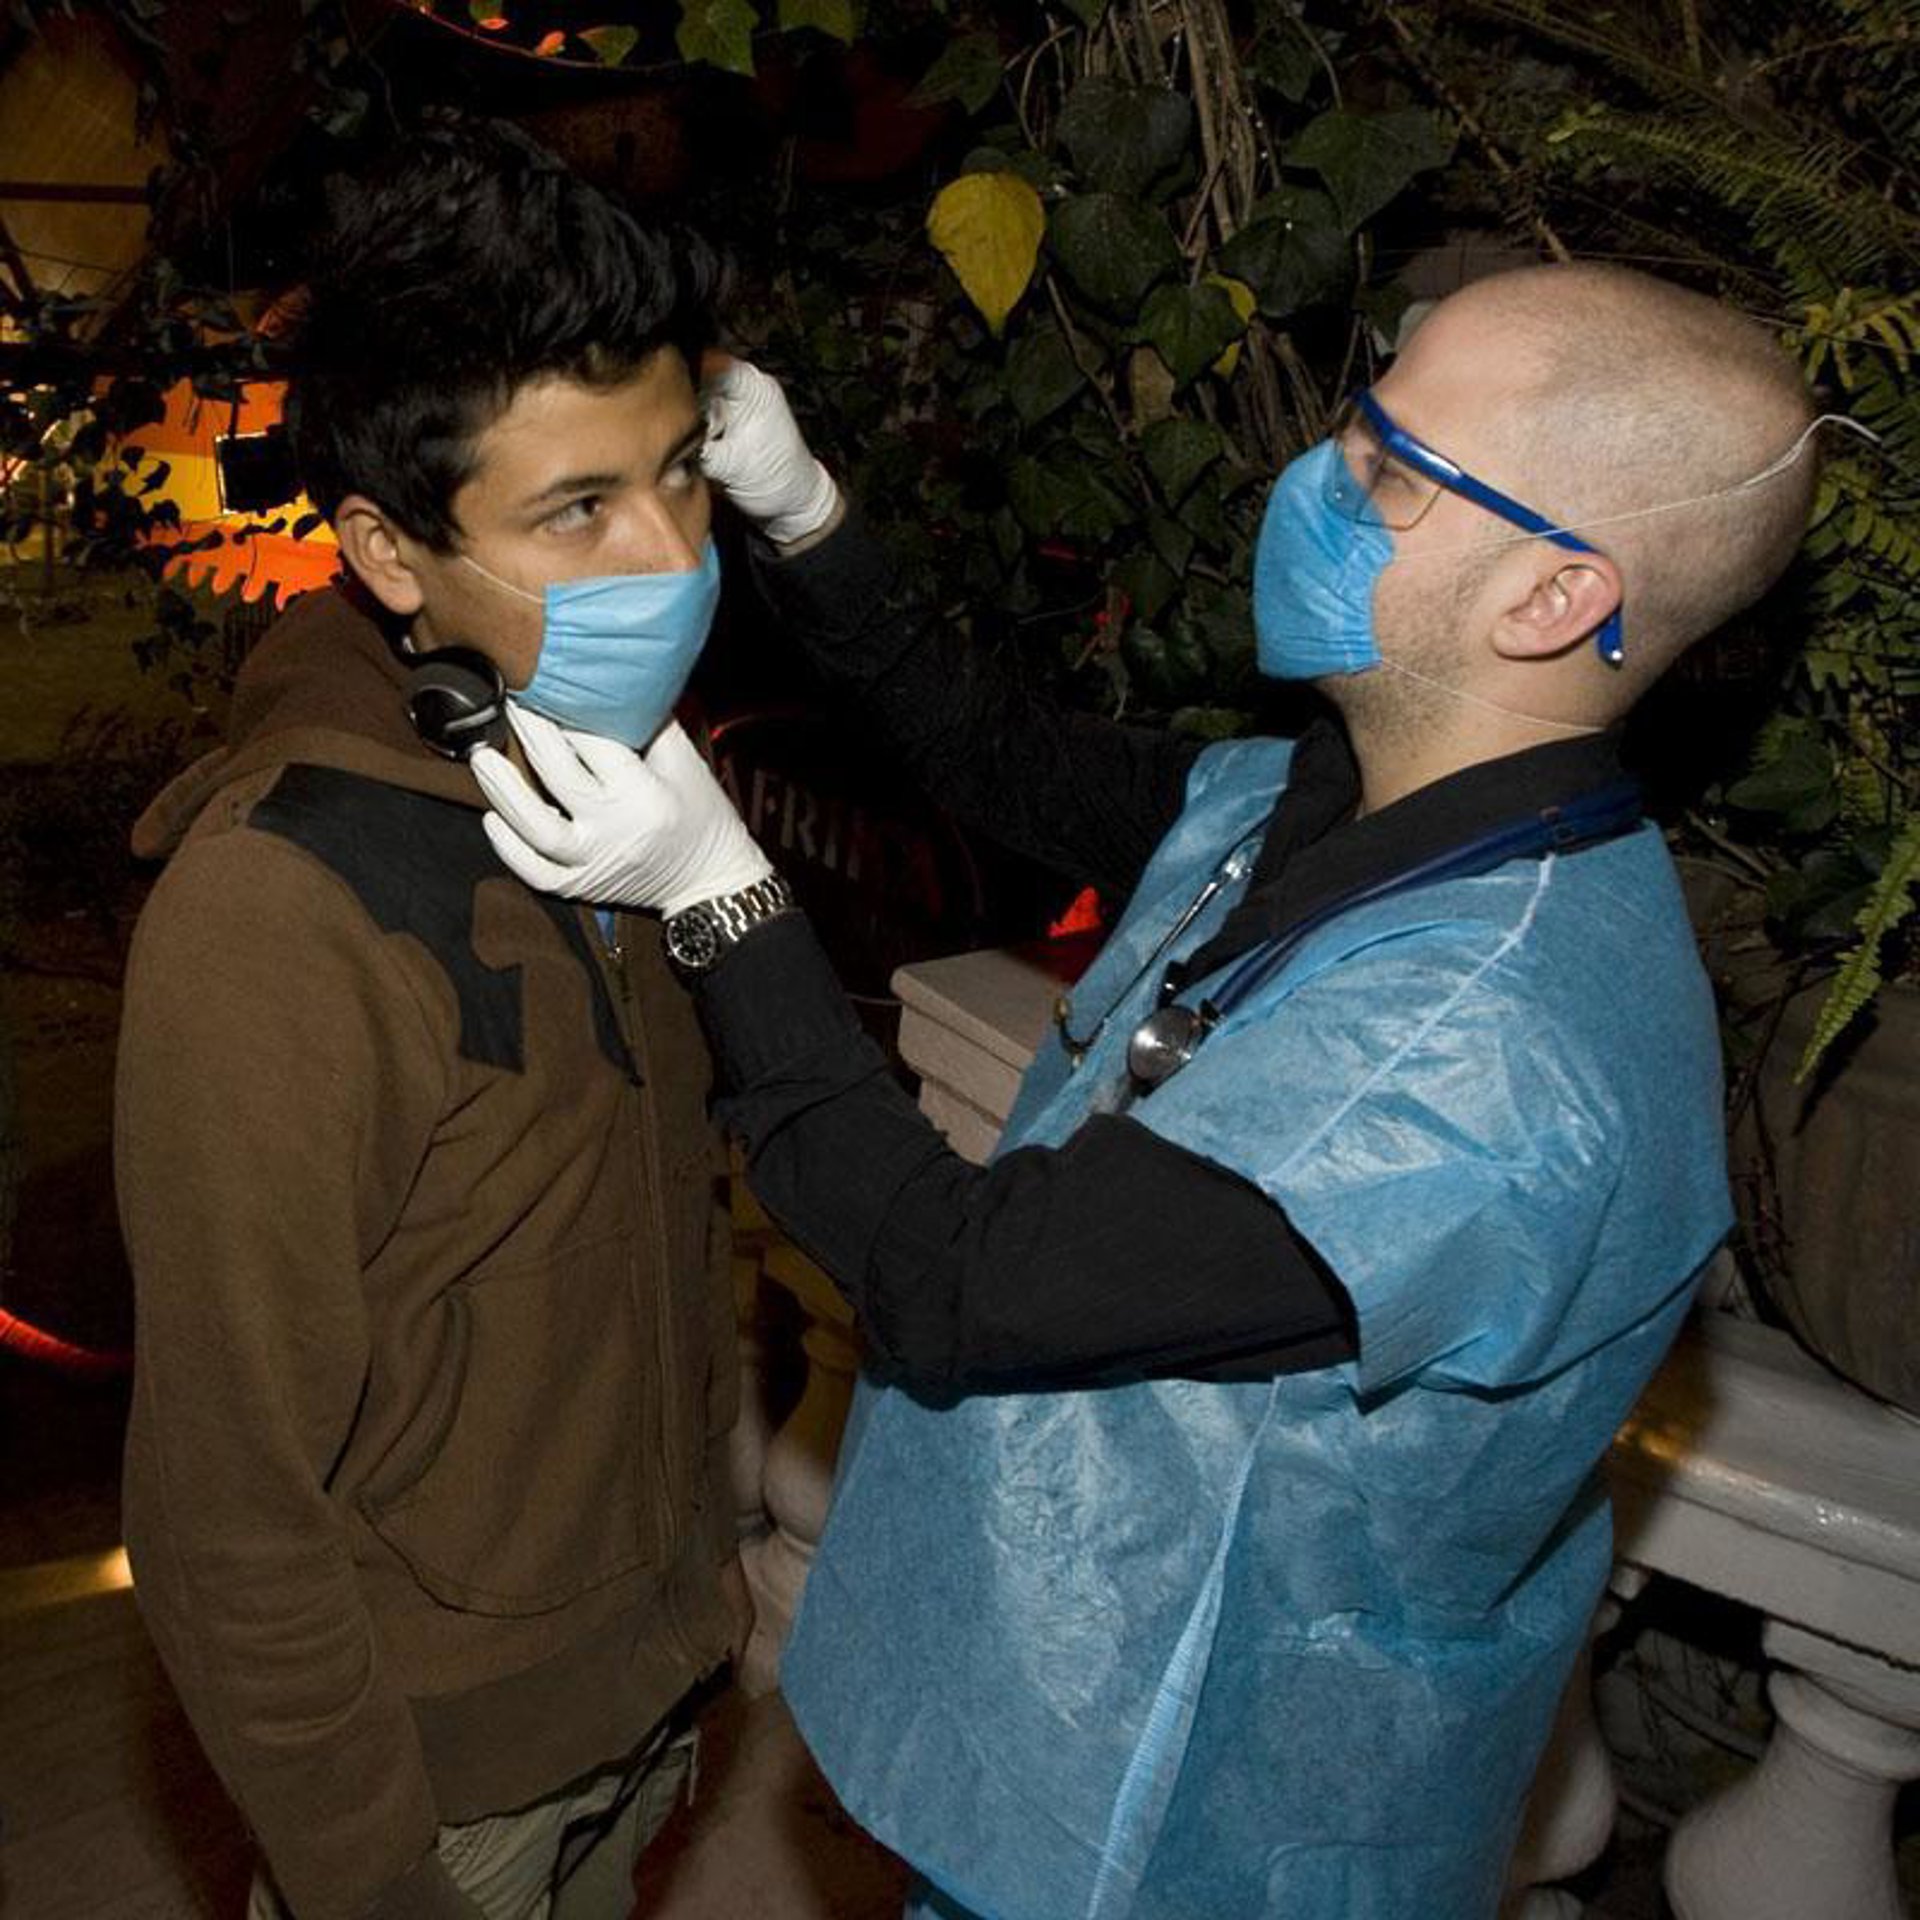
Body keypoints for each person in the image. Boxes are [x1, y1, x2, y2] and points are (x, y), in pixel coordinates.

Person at [475, 264, 1831, 1917]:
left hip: (1202, 1831)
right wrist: (811, 518)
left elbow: (955, 1281)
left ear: (1553, 597)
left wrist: (717, 898)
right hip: (1066, 1732)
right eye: (1357, 411)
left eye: (1389, 467)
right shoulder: (1348, 800)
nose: (1315, 475)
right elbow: (1008, 759)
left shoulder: (1482, 1063)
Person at [114, 117, 753, 1920]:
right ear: (390, 556)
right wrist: (371, 1874)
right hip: (444, 1802)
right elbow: (228, 1508)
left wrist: (696, 1606)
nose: (672, 557)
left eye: (681, 473)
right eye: (578, 510)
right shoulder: (278, 913)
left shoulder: (619, 788)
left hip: (648, 1696)